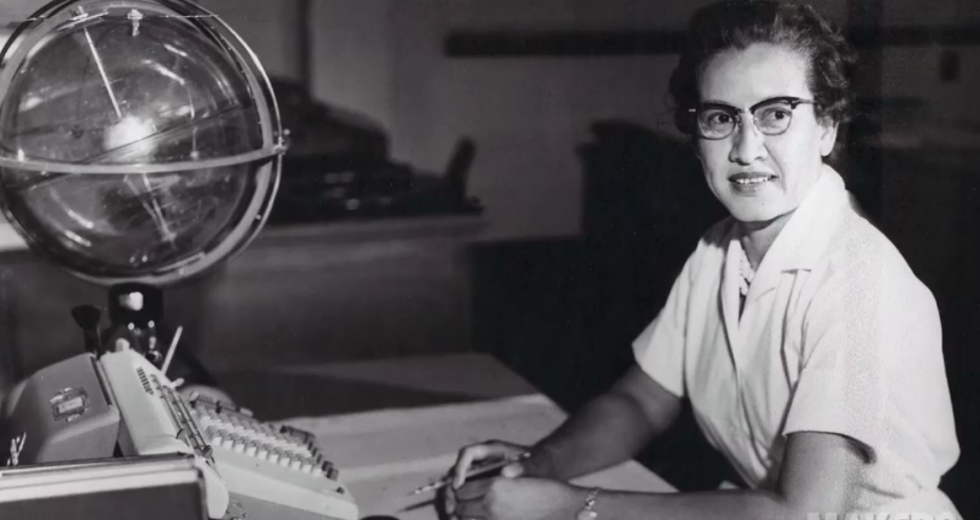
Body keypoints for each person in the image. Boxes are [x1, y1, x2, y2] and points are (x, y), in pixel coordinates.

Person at [445, 1, 963, 519]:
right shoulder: (720, 250)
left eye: (776, 114)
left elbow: (804, 514)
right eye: (721, 117)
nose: (745, 147)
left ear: (826, 127)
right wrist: (541, 464)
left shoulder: (860, 285)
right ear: (697, 142)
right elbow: (642, 402)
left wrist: (571, 507)